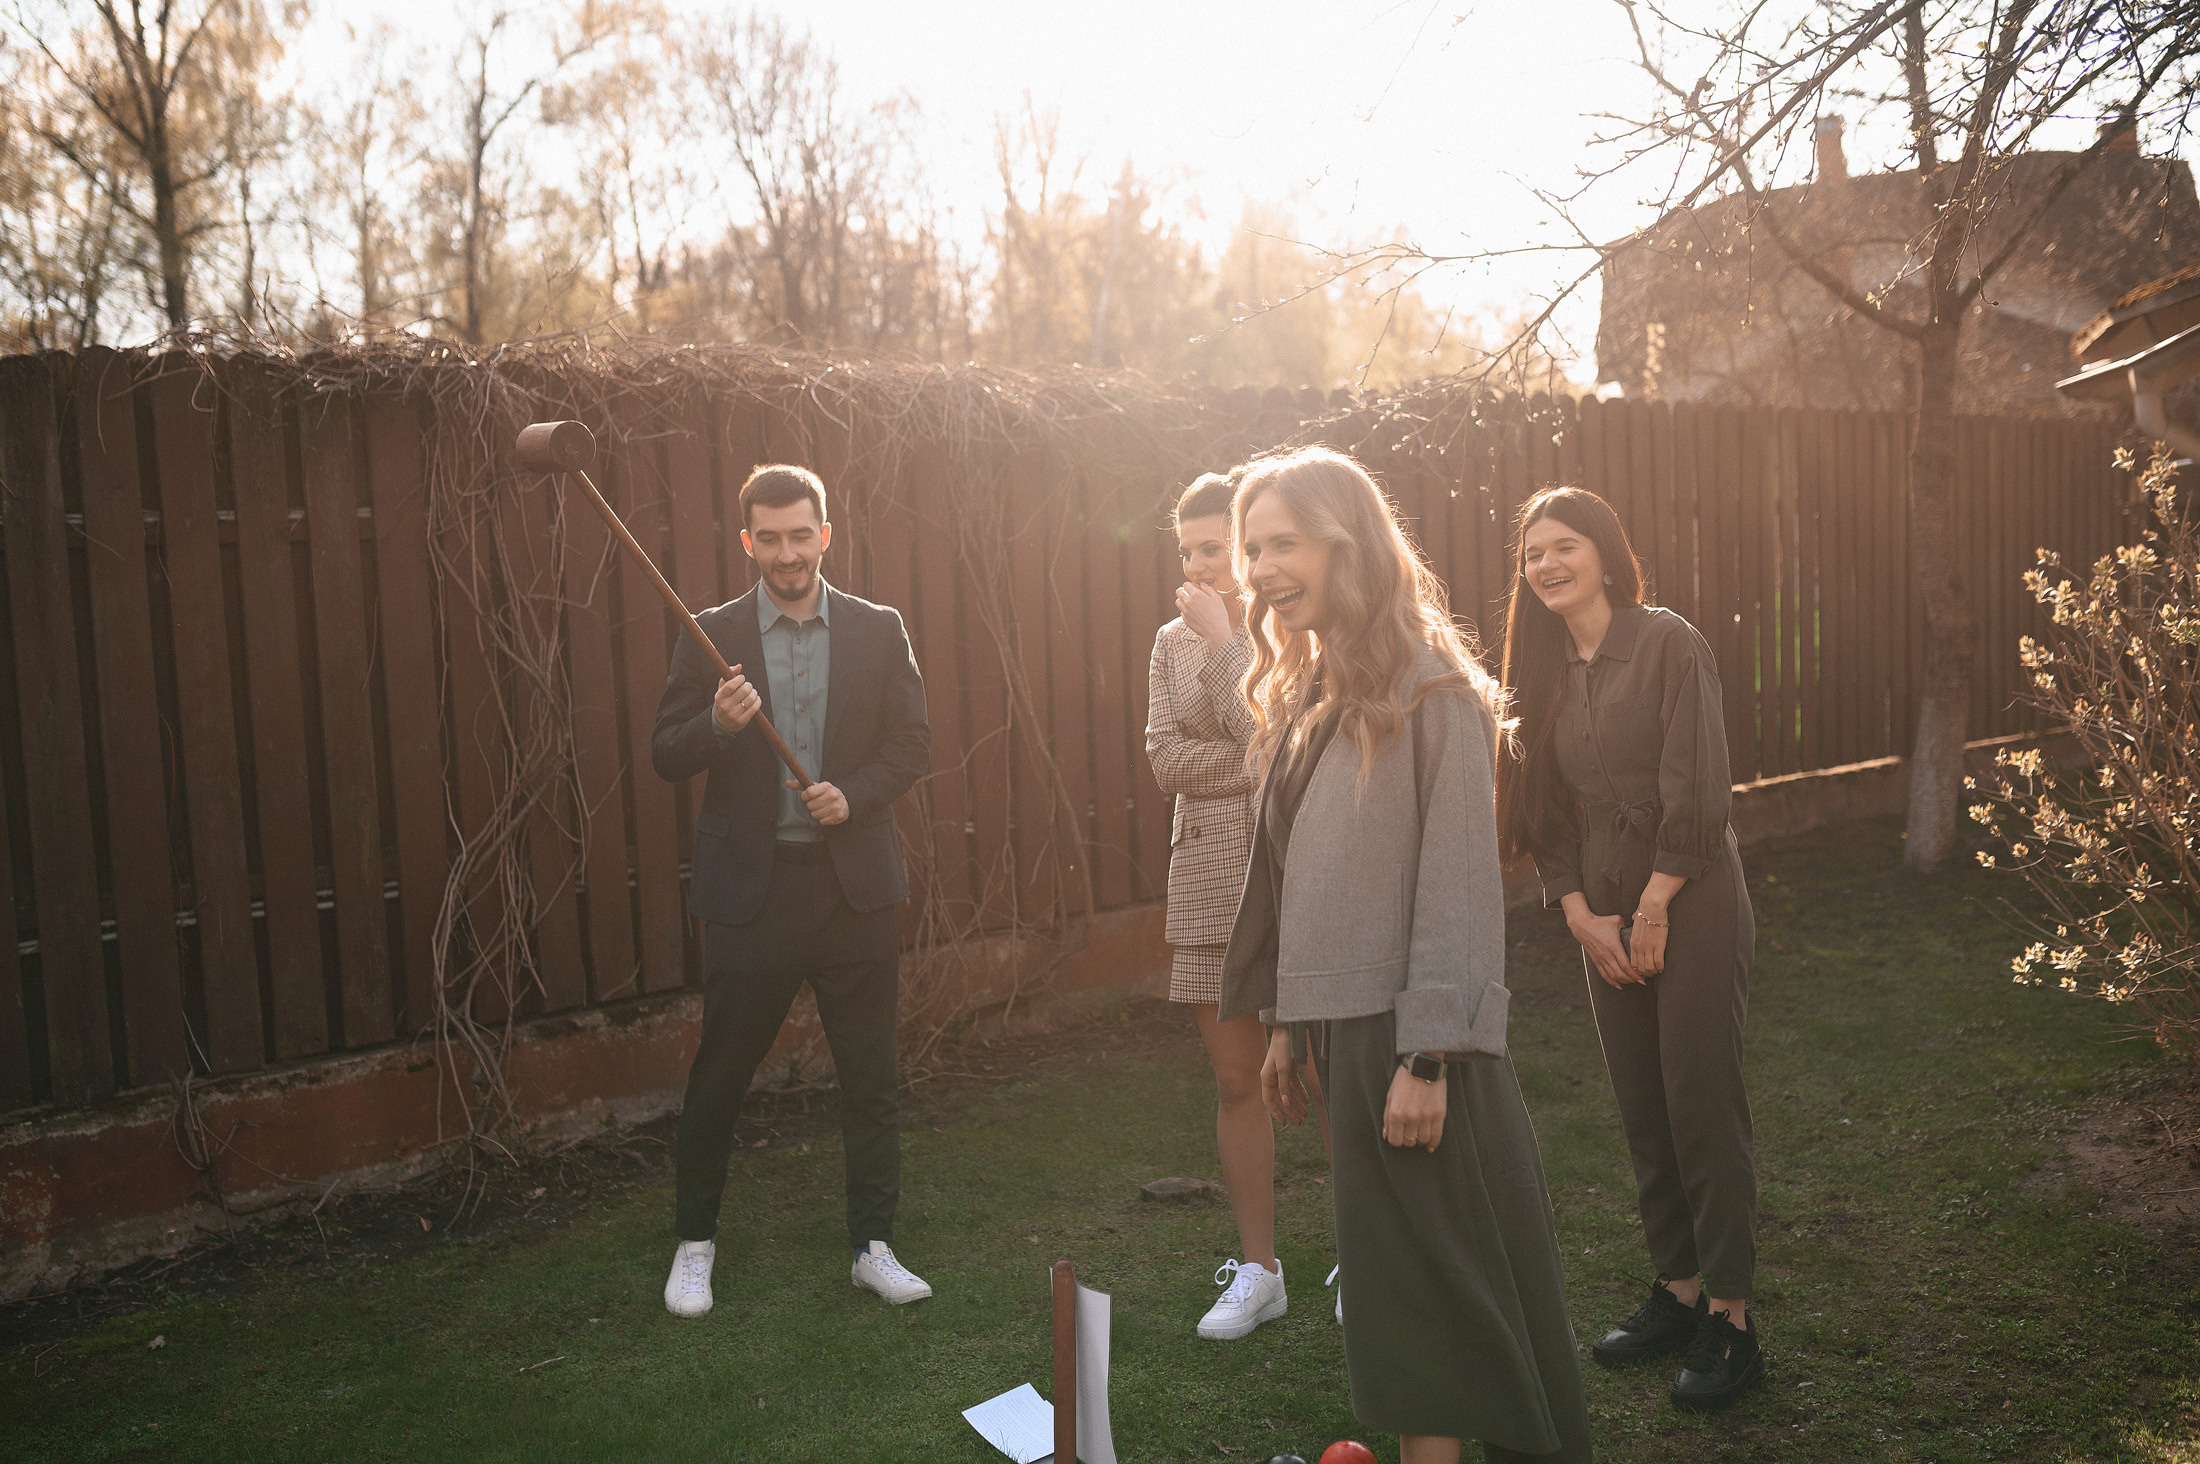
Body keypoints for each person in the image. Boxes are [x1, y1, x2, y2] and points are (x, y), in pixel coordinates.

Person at [1220, 447, 1594, 1464]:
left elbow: (1460, 888)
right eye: (1250, 548)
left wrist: (1428, 1057)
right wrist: (1289, 1025)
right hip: (1343, 1032)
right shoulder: (1309, 692)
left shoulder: (1433, 690)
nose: (1259, 567)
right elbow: (1309, 877)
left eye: (1281, 543)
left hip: (1414, 1040)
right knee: (1395, 1285)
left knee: (1442, 1282)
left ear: (1346, 542)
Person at [1493, 486, 1763, 1412]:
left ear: (1607, 553)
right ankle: (1677, 1292)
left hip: (1690, 892)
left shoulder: (1668, 643)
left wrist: (1654, 901)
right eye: (1533, 555)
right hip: (1598, 906)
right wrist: (1575, 910)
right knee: (1643, 1103)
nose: (1548, 565)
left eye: (1564, 546)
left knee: (1700, 1096)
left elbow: (1700, 784)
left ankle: (1731, 1317)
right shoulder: (1537, 667)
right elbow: (1543, 810)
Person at [649, 463, 933, 1317]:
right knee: (720, 1078)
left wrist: (857, 792)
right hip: (754, 896)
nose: (786, 552)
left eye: (799, 534)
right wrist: (719, 725)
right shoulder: (712, 633)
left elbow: (911, 743)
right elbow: (667, 752)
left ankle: (872, 1246)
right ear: (747, 542)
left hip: (854, 892)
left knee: (870, 1076)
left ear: (825, 536)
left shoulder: (879, 630)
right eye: (768, 537)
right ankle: (695, 1246)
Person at [1146, 470, 1331, 1341]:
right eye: (1186, 551)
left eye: (1215, 548)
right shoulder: (1165, 642)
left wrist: (1226, 644)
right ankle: (1260, 1270)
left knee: (1326, 1070)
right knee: (1234, 1078)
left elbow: (1280, 739)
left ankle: (1368, 1254)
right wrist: (1247, 763)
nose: (1198, 566)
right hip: (1206, 876)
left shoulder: (1295, 629)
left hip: (1295, 872)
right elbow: (1164, 762)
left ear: (1250, 547)